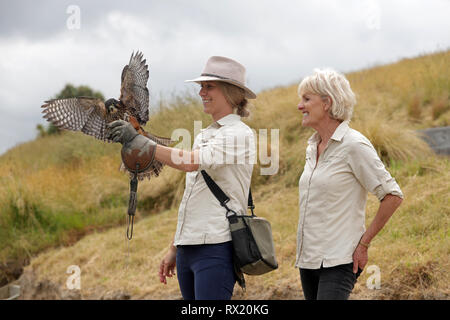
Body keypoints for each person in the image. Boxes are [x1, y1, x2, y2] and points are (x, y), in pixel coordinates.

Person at [107, 56, 257, 300]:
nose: (201, 92)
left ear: (231, 93)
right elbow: (192, 197)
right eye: (201, 86)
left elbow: (189, 162)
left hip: (216, 246)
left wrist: (140, 142)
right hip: (190, 248)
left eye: (209, 86)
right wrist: (175, 247)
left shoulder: (239, 134)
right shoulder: (206, 134)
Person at [295, 68, 403, 300]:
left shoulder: (354, 145)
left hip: (339, 260)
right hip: (308, 260)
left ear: (327, 103)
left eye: (306, 99)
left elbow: (392, 195)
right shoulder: (312, 147)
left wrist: (364, 243)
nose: (299, 106)